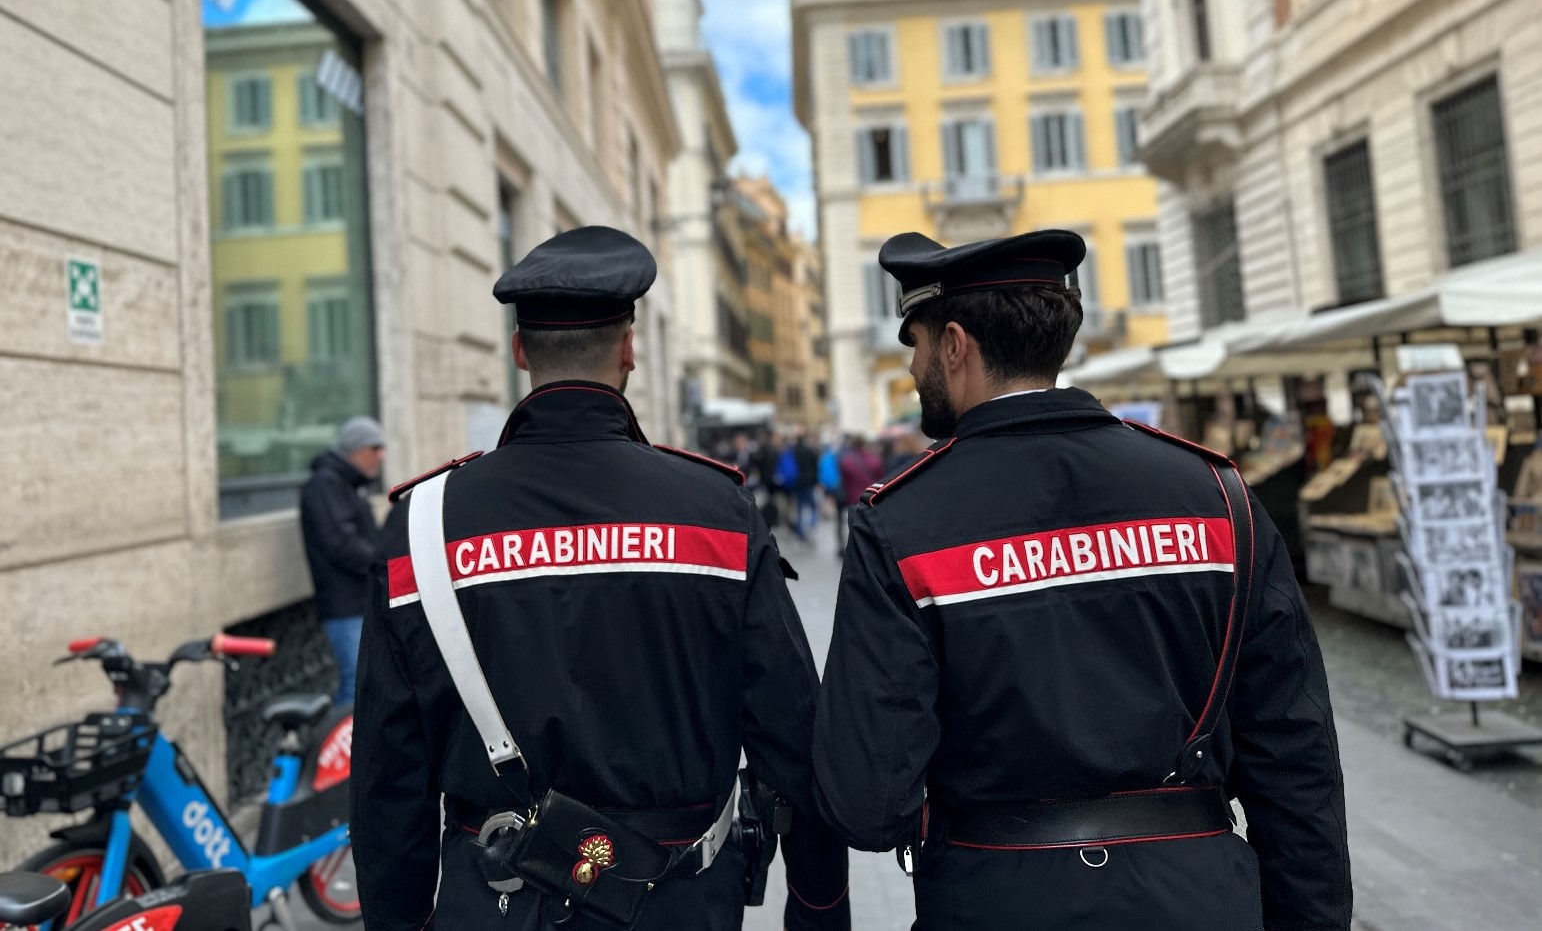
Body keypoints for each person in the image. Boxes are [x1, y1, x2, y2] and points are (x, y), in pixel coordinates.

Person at [812, 229, 1351, 931]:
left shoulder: (901, 523)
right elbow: (1295, 754)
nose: (913, 367)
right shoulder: (1216, 495)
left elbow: (866, 800)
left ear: (955, 346)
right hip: (1196, 896)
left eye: (915, 344)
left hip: (995, 897)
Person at [352, 227, 849, 931]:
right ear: (628, 349)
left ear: (520, 352)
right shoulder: (718, 513)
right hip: (679, 904)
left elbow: (386, 782)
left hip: (493, 902)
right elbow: (791, 737)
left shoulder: (422, 527)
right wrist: (820, 905)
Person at [299, 415, 385, 705]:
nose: (381, 456)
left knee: (364, 683)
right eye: (375, 448)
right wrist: (385, 563)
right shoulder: (326, 485)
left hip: (360, 601)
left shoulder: (347, 484)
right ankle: (345, 736)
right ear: (355, 449)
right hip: (345, 606)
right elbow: (341, 543)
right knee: (355, 686)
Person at [835, 436, 883, 552]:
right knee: (871, 528)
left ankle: (856, 551)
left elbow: (845, 482)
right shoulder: (875, 460)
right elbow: (881, 480)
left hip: (853, 499)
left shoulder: (846, 461)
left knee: (855, 528)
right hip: (871, 499)